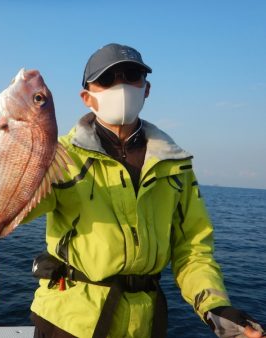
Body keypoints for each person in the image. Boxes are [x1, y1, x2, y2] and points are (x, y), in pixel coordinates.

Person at [24, 43, 265, 338]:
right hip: (68, 321)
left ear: (146, 89)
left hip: (145, 324)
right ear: (87, 97)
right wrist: (15, 147)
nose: (121, 85)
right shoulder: (59, 155)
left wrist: (216, 307)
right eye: (107, 79)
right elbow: (20, 209)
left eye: (131, 75)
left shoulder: (176, 164)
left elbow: (193, 248)